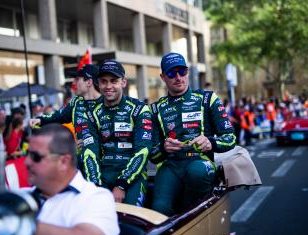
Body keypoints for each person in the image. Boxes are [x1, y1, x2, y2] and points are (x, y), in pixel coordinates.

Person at [150, 52, 236, 216]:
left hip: (200, 161)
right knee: (159, 209)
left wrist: (211, 143)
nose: (178, 77)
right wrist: (163, 147)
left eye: (182, 72)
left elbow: (230, 137)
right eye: (171, 73)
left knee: (196, 173)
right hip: (171, 166)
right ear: (162, 77)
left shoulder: (207, 99)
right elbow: (153, 155)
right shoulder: (155, 109)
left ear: (187, 72)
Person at [25, 124, 119, 235]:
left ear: (64, 162)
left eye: (35, 156)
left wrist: (17, 225)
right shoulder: (20, 195)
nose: (27, 162)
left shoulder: (95, 198)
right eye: (27, 154)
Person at [82, 60, 153, 207]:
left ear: (124, 82)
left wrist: (122, 185)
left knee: (130, 216)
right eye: (104, 81)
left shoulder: (139, 109)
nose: (108, 86)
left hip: (133, 175)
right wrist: (96, 186)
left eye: (114, 81)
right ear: (98, 84)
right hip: (103, 173)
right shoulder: (90, 113)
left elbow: (143, 150)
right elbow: (90, 152)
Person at [29, 64, 102, 157]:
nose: (73, 83)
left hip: (106, 165)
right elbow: (58, 116)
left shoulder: (108, 103)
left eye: (77, 79)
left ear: (89, 82)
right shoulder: (76, 102)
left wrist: (91, 143)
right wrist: (40, 120)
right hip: (82, 161)